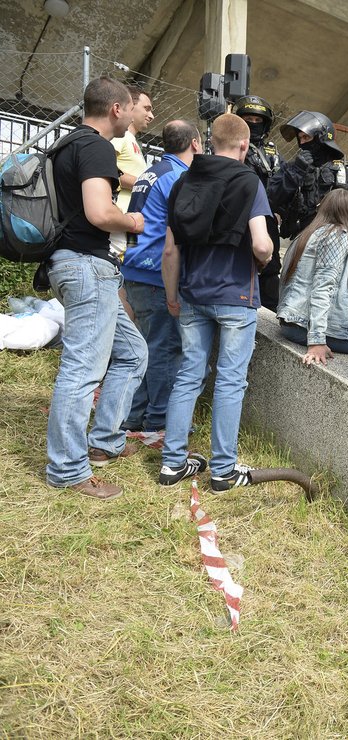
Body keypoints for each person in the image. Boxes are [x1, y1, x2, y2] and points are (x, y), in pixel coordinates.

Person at [44, 76, 147, 500]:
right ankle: (68, 469)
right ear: (116, 109)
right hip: (88, 266)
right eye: (132, 108)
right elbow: (99, 212)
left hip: (73, 264)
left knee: (133, 353)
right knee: (83, 370)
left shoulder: (67, 144)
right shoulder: (96, 146)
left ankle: (104, 443)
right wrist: (134, 222)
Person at [159, 113, 273, 491]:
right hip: (236, 295)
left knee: (189, 375)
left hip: (192, 293)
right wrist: (267, 255)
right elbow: (260, 243)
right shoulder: (249, 181)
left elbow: (171, 250)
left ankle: (173, 463)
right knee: (229, 381)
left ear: (210, 142)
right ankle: (223, 470)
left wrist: (173, 294)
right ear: (244, 145)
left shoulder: (184, 181)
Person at [121, 120, 203, 445]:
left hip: (135, 267)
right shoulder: (178, 177)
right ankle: (160, 420)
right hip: (157, 270)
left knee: (145, 346)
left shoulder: (149, 173)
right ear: (195, 143)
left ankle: (135, 415)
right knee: (165, 348)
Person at [267, 110, 348, 255]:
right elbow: (271, 199)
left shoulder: (343, 169)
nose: (302, 143)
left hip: (337, 243)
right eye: (300, 138)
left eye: (306, 137)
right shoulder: (291, 169)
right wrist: (296, 172)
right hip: (301, 241)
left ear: (320, 138)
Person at [277, 189, 348, 364]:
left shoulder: (307, 234)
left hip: (291, 323)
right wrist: (317, 340)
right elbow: (323, 287)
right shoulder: (336, 235)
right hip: (306, 328)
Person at [234, 95, 285, 311]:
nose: (253, 125)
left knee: (271, 270)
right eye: (248, 120)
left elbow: (282, 185)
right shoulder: (231, 147)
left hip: (267, 218)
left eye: (258, 121)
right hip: (238, 217)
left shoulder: (273, 154)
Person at [109, 85, 154, 262]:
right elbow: (107, 170)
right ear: (130, 105)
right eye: (147, 108)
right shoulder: (121, 137)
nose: (151, 116)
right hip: (117, 220)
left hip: (129, 223)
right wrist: (146, 185)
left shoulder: (131, 140)